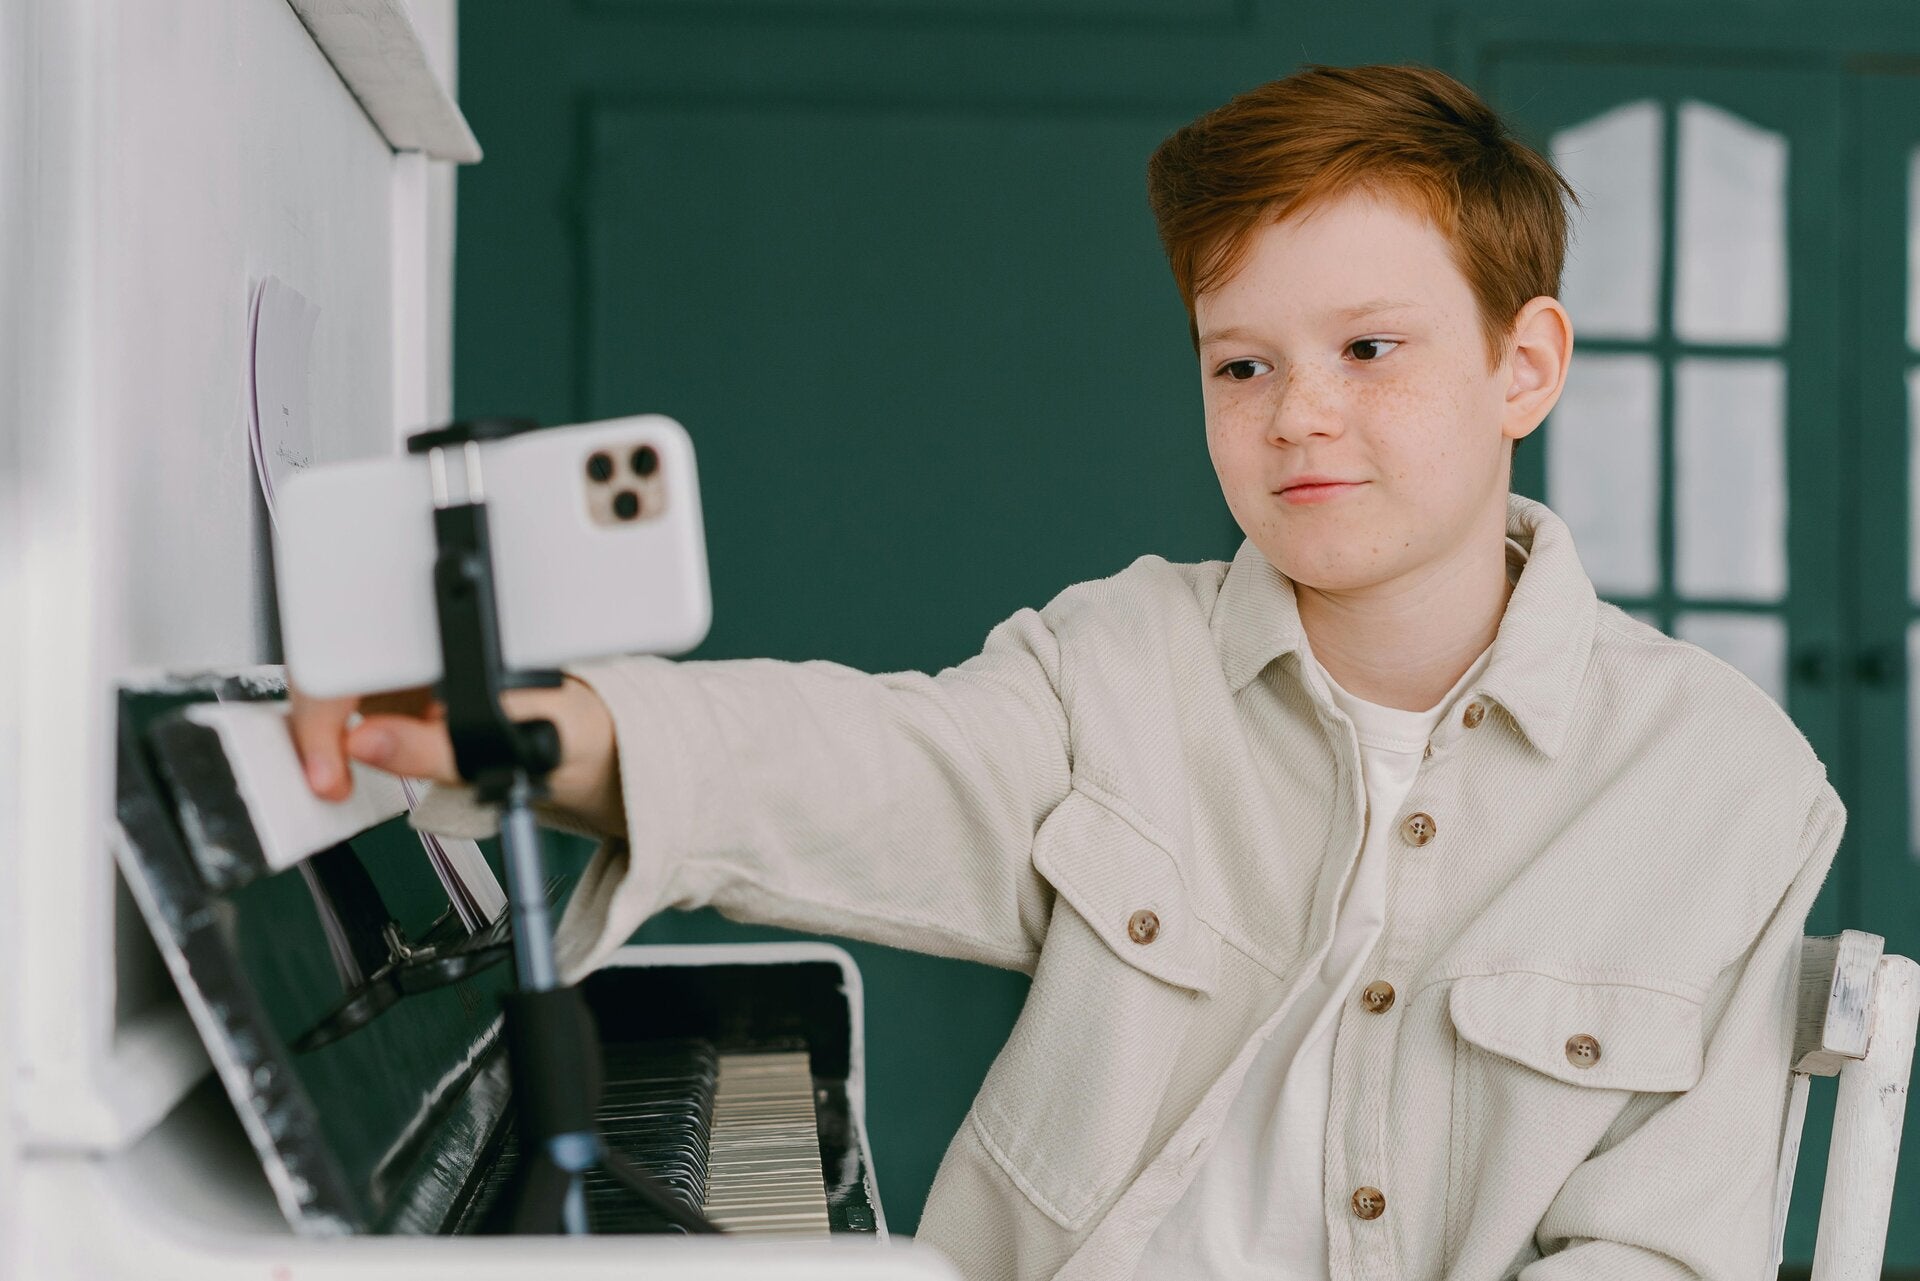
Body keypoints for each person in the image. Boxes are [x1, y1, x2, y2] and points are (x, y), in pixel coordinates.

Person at [291, 63, 1844, 1280]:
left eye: (1370, 349)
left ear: (1527, 364)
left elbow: (1658, 1249)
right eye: (1242, 363)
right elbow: (880, 763)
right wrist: (560, 724)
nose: (1298, 413)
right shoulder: (1123, 658)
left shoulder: (1729, 788)